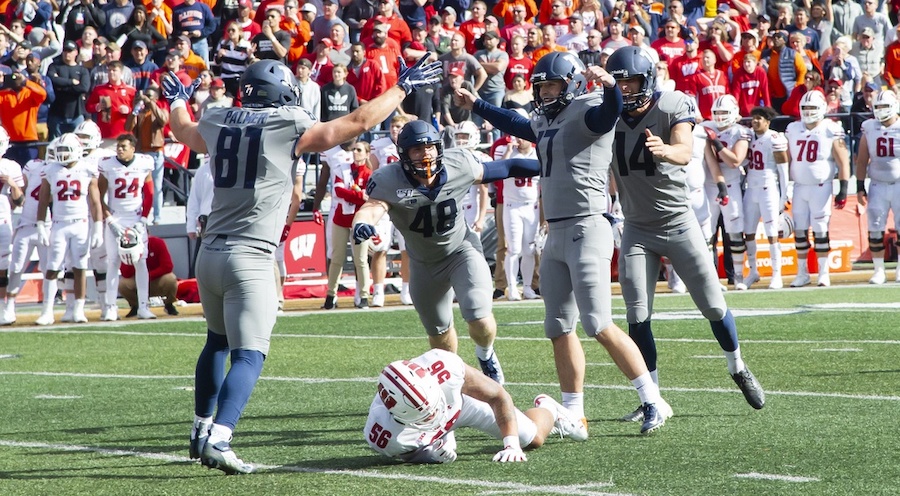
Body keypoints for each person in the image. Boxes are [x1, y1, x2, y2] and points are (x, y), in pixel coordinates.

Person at [162, 54, 441, 474]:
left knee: (215, 342)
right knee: (249, 354)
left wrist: (178, 99)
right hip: (250, 255)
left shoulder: (219, 119)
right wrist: (402, 87)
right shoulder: (286, 122)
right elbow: (358, 123)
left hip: (209, 253)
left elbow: (183, 130)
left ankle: (200, 429)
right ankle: (220, 437)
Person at [456, 51, 668, 436]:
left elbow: (610, 111)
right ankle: (575, 413)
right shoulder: (547, 119)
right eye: (541, 86)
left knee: (599, 323)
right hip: (555, 232)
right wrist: (479, 105)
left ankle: (652, 399)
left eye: (551, 85)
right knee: (557, 326)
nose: (544, 93)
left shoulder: (589, 110)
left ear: (570, 84)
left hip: (588, 227)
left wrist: (606, 84)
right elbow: (518, 124)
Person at [603, 46, 765, 420]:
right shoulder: (606, 115)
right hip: (636, 228)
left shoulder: (673, 103)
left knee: (712, 303)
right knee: (637, 315)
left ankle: (737, 366)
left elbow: (684, 149)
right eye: (619, 83)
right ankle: (652, 397)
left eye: (631, 83)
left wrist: (666, 149)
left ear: (647, 81)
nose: (625, 91)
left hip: (677, 222)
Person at [351, 119, 536, 388]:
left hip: (461, 250)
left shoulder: (458, 163)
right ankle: (452, 383)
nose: (425, 154)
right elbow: (373, 207)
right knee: (439, 336)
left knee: (479, 316)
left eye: (430, 148)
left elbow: (506, 167)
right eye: (416, 149)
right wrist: (362, 223)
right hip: (423, 262)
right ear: (403, 154)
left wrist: (551, 163)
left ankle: (486, 356)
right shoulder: (388, 179)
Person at [365, 348, 585, 464]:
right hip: (430, 431)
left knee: (531, 439)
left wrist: (511, 445)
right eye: (425, 415)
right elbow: (404, 452)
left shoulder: (444, 368)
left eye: (432, 406)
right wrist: (428, 454)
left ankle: (549, 408)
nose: (434, 415)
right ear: (399, 416)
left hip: (462, 405)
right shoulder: (382, 433)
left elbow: (498, 396)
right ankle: (443, 437)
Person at [35, 133, 104, 325]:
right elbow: (42, 200)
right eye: (60, 150)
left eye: (66, 150)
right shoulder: (50, 170)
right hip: (59, 223)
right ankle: (47, 310)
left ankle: (78, 310)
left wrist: (98, 227)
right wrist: (41, 224)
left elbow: (95, 202)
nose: (62, 154)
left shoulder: (87, 170)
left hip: (80, 223)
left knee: (80, 266)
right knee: (52, 266)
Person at [784, 90, 850, 288]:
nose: (808, 111)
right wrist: (784, 186)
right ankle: (802, 272)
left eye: (812, 107)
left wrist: (844, 187)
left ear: (821, 108)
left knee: (821, 229)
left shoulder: (830, 128)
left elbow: (843, 160)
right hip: (799, 186)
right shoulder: (793, 128)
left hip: (821, 186)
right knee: (800, 230)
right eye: (805, 107)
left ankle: (823, 272)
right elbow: (787, 160)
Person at [98, 133, 156, 320]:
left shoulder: (144, 163)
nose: (120, 149)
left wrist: (144, 220)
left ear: (133, 148)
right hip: (116, 218)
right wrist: (110, 220)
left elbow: (149, 194)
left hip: (136, 218)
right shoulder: (107, 165)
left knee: (141, 261)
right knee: (113, 262)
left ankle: (144, 306)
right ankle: (111, 307)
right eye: (118, 146)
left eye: (124, 146)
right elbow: (99, 196)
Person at [701, 95, 751, 290]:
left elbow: (735, 161)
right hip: (707, 185)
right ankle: (710, 278)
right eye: (717, 112)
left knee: (735, 232)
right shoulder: (704, 127)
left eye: (724, 112)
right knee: (707, 234)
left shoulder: (740, 132)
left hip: (731, 184)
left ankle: (738, 275)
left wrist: (716, 143)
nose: (720, 116)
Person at [741, 107, 790, 290]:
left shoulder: (773, 138)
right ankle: (753, 271)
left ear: (767, 121)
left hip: (768, 187)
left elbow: (783, 169)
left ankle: (777, 273)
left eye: (759, 119)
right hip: (751, 188)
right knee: (749, 232)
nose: (755, 121)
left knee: (772, 233)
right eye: (753, 118)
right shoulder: (748, 136)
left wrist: (784, 194)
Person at [856, 90, 900, 285]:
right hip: (877, 184)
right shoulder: (869, 127)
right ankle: (878, 269)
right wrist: (859, 185)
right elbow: (862, 158)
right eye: (878, 107)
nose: (881, 111)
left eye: (885, 106)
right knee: (875, 228)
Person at [119, 235, 179, 316]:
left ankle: (169, 304)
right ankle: (135, 305)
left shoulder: (157, 242)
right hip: (137, 280)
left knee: (170, 279)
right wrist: (131, 256)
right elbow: (125, 273)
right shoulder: (127, 246)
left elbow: (167, 266)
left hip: (156, 279)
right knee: (122, 284)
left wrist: (147, 276)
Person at [0, 128, 25, 319]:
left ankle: (2, 307)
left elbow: (19, 201)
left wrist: (12, 184)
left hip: (3, 220)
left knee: (2, 266)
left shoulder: (11, 167)